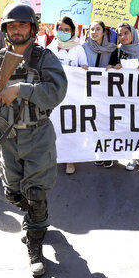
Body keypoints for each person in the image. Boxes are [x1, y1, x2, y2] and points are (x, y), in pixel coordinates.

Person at [0, 3, 67, 277]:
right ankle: (36, 217)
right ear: (5, 30)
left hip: (37, 134)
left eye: (21, 25)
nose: (16, 30)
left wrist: (21, 89)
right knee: (13, 192)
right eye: (11, 26)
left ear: (32, 28)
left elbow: (57, 91)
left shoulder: (44, 58)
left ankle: (35, 244)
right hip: (8, 138)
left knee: (36, 193)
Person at [47, 16, 87, 175]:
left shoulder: (79, 49)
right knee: (54, 126)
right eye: (60, 29)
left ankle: (70, 159)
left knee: (70, 126)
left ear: (72, 31)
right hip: (54, 95)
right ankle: (55, 156)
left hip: (72, 96)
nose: (63, 32)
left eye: (66, 30)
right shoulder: (50, 49)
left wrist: (84, 68)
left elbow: (84, 71)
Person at [108, 23, 139, 170]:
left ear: (133, 34)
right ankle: (132, 156)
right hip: (123, 96)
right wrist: (114, 68)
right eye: (120, 34)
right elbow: (107, 69)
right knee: (128, 126)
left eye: (126, 33)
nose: (122, 37)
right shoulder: (117, 52)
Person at [82, 20, 117, 168]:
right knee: (93, 122)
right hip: (90, 90)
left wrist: (115, 66)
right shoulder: (83, 48)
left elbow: (118, 66)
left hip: (107, 91)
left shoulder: (113, 49)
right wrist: (81, 67)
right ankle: (97, 151)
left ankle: (107, 153)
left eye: (98, 29)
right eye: (92, 29)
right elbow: (78, 64)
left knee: (107, 122)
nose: (95, 32)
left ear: (104, 31)